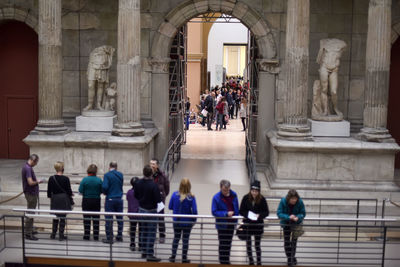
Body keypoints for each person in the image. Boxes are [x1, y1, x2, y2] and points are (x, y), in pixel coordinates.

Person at [134, 165, 162, 262]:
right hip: (151, 211)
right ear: (151, 174)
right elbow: (158, 200)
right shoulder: (154, 185)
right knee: (151, 232)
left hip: (141, 209)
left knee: (143, 230)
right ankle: (150, 253)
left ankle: (144, 251)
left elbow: (135, 195)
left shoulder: (138, 183)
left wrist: (142, 200)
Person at [239, 180, 269, 265]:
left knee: (257, 245)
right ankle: (251, 261)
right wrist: (248, 214)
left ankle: (259, 262)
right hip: (248, 224)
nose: (254, 193)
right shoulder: (245, 198)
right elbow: (241, 211)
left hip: (258, 225)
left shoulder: (262, 199)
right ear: (250, 190)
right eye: (253, 191)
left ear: (259, 191)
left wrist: (259, 215)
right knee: (248, 244)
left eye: (256, 191)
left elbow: (266, 212)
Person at [168, 178, 198, 263]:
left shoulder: (174, 195)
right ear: (189, 186)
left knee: (176, 238)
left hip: (177, 221)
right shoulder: (191, 197)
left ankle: (173, 256)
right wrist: (194, 220)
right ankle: (184, 258)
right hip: (187, 222)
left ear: (180, 185)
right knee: (185, 240)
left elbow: (170, 206)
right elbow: (195, 211)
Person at [212, 179, 239, 264]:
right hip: (222, 224)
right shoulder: (216, 197)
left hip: (231, 224)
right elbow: (214, 211)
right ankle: (222, 261)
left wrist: (236, 218)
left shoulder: (234, 195)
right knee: (222, 243)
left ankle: (227, 260)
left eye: (227, 190)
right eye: (224, 190)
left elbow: (236, 208)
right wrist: (225, 214)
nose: (226, 192)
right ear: (220, 188)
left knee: (228, 243)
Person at [277, 189, 306, 266]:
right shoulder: (283, 201)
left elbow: (303, 213)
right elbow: (279, 213)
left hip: (296, 224)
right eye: (292, 199)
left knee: (294, 242)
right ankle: (291, 258)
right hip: (286, 223)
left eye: (295, 199)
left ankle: (290, 259)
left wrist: (298, 217)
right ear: (288, 198)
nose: (294, 200)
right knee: (287, 242)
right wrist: (288, 217)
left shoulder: (300, 202)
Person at [47, 161, 73, 241]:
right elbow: (69, 191)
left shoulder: (51, 178)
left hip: (55, 198)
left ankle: (53, 234)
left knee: (55, 217)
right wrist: (71, 196)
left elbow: (49, 191)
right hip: (63, 199)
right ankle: (61, 235)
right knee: (62, 217)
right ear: (62, 168)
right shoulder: (66, 178)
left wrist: (51, 198)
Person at [83, 45, 115, 111]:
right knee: (90, 85)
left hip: (102, 66)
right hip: (92, 65)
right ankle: (90, 104)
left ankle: (98, 104)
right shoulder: (94, 52)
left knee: (100, 86)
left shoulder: (107, 51)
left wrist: (109, 52)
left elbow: (111, 52)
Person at [22, 154, 43, 241]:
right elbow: (30, 183)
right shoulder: (28, 169)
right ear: (33, 160)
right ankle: (28, 233)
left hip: (30, 193)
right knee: (30, 213)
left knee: (31, 212)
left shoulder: (26, 167)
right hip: (31, 194)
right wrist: (38, 181)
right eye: (36, 162)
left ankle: (30, 229)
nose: (36, 164)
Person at [79, 164, 103, 241]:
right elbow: (102, 190)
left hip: (86, 200)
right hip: (96, 200)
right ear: (96, 171)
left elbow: (80, 190)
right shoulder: (99, 180)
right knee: (96, 219)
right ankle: (96, 236)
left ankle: (86, 235)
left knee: (86, 218)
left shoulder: (84, 180)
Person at [102, 161, 124, 244]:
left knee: (109, 219)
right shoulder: (120, 175)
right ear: (116, 167)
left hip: (110, 199)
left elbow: (105, 186)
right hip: (119, 198)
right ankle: (119, 235)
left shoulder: (107, 175)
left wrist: (105, 192)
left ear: (109, 166)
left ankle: (109, 237)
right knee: (120, 219)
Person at [150, 158, 170, 244]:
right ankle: (152, 235)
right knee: (151, 218)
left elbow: (167, 188)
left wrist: (163, 196)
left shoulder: (162, 176)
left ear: (157, 165)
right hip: (150, 200)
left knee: (161, 218)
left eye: (153, 164)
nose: (152, 166)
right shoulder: (148, 174)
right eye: (151, 164)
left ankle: (162, 235)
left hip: (160, 200)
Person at [127, 177, 140, 251]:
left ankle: (132, 243)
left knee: (133, 228)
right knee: (141, 229)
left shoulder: (129, 192)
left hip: (132, 213)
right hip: (139, 213)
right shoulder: (141, 192)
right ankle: (140, 244)